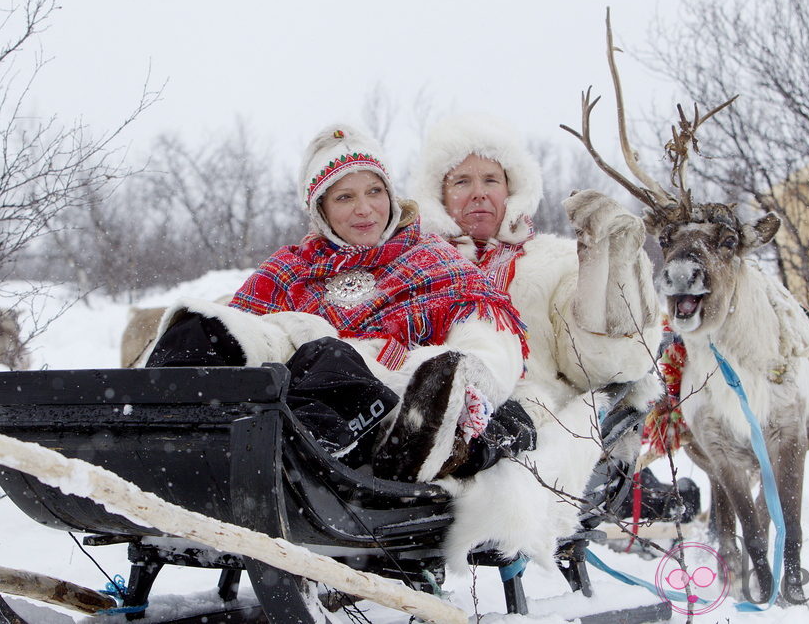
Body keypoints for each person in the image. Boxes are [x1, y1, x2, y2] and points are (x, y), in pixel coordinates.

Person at [146, 124, 535, 482]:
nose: (364, 209)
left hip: (394, 401)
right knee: (204, 328)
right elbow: (252, 329)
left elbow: (490, 340)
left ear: (390, 194)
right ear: (322, 209)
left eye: (374, 192)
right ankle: (158, 427)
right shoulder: (289, 269)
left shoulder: (433, 259)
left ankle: (387, 445)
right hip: (289, 397)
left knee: (329, 357)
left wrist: (445, 379)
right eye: (345, 197)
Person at [407, 114, 663, 571]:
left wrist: (608, 263)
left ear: (513, 190)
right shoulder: (414, 267)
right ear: (439, 195)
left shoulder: (554, 263)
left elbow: (603, 362)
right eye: (461, 181)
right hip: (431, 409)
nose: (479, 191)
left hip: (529, 416)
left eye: (491, 179)